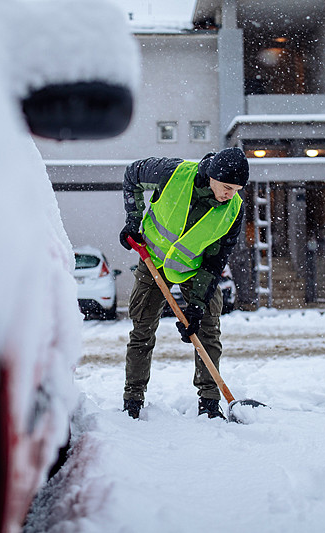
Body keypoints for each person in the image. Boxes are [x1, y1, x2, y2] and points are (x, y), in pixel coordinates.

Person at [119, 147, 249, 420]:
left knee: (208, 330)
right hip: (152, 259)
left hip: (195, 269)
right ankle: (132, 400)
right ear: (212, 176)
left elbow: (215, 262)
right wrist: (133, 220)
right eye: (226, 187)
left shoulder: (233, 210)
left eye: (236, 189)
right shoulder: (171, 173)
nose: (230, 194)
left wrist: (197, 306)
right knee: (142, 329)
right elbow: (132, 175)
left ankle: (210, 404)